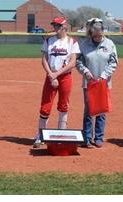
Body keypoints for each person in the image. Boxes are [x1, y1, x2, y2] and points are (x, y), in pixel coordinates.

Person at [33, 17, 80, 148]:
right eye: (54, 25)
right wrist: (51, 75)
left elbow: (72, 63)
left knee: (64, 105)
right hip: (50, 76)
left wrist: (57, 74)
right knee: (45, 106)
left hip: (65, 76)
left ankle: (62, 135)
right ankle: (40, 135)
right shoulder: (49, 41)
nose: (55, 28)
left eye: (58, 26)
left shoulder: (72, 42)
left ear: (64, 27)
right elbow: (44, 60)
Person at [76, 18, 118, 148]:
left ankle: (99, 137)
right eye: (95, 32)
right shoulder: (84, 44)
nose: (98, 35)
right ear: (91, 31)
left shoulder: (109, 44)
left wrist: (104, 75)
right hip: (89, 82)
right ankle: (87, 138)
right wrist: (86, 73)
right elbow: (78, 62)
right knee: (89, 110)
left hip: (103, 82)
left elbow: (114, 62)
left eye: (100, 32)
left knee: (102, 109)